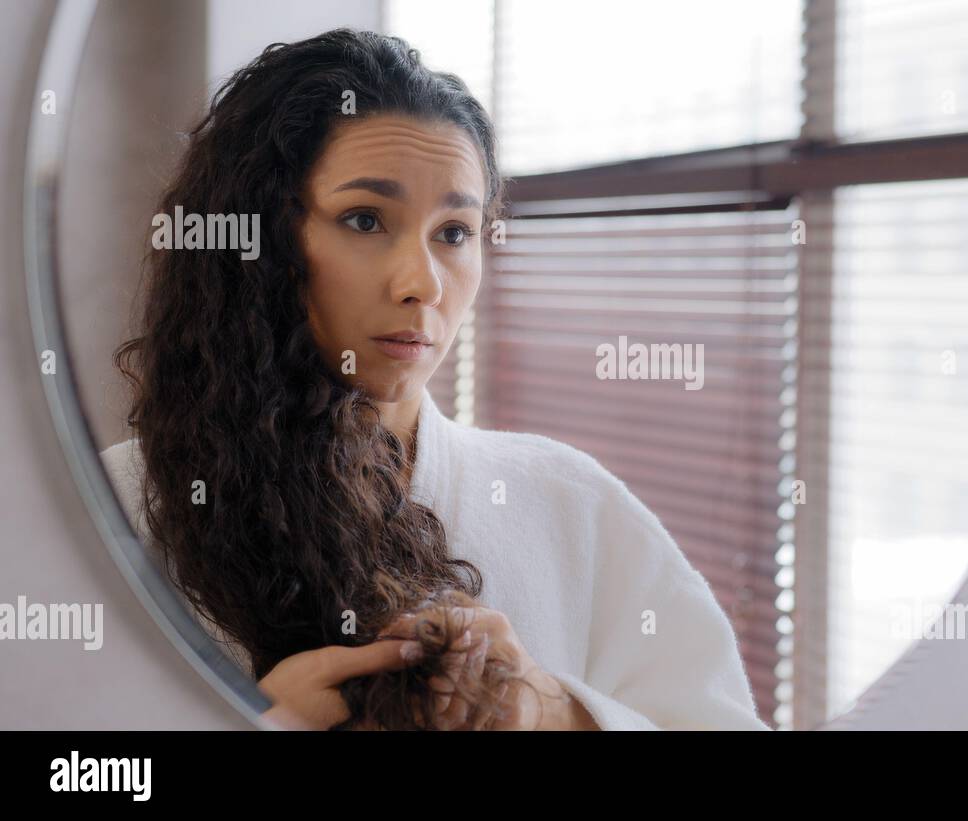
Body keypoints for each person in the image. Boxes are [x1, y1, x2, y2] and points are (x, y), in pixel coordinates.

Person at [100, 28, 768, 731]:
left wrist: (549, 711)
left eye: (454, 232)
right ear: (258, 243)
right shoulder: (113, 513)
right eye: (364, 219)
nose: (422, 282)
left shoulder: (573, 505)